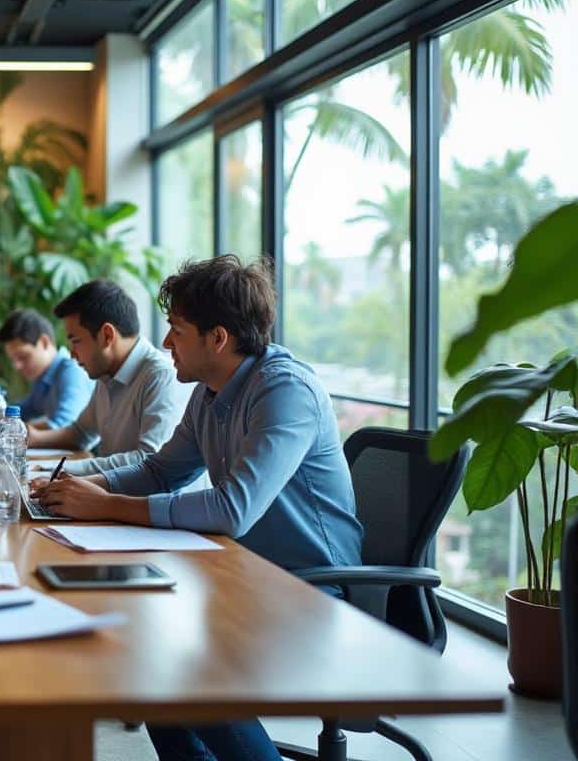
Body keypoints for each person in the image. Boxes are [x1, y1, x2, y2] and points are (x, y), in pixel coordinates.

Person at [36, 256, 364, 761]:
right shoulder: (211, 394)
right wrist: (83, 487)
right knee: (149, 654)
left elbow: (233, 509)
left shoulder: (284, 391)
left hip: (311, 589)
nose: (167, 342)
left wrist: (111, 505)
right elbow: (161, 471)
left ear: (218, 338)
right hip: (244, 572)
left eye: (177, 329)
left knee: (172, 661)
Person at [24, 279, 190, 478]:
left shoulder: (161, 376)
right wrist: (32, 437)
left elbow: (148, 459)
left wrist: (58, 469)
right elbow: (81, 433)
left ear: (107, 336)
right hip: (114, 496)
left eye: (76, 341)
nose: (72, 354)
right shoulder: (107, 372)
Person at [0, 309, 94, 429]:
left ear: (44, 342)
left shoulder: (72, 369)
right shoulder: (42, 378)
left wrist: (16, 430)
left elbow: (65, 426)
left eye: (22, 357)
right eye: (13, 359)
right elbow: (23, 411)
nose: (17, 366)